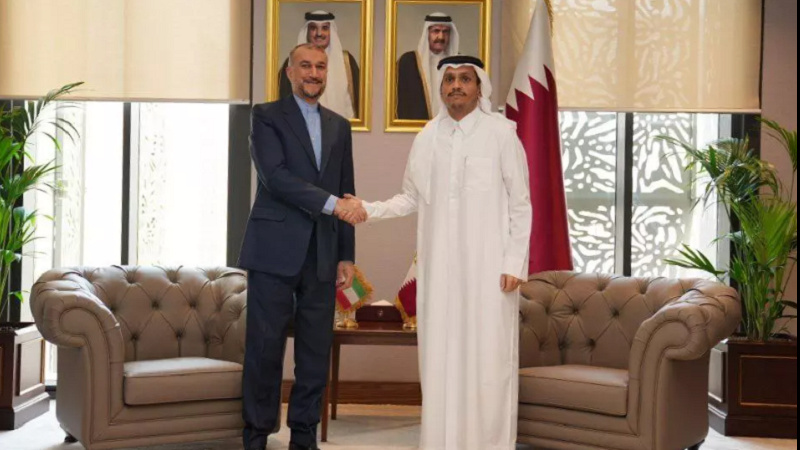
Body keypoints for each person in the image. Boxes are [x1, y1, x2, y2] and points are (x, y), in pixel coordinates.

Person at [344, 55, 532, 450]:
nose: (456, 86)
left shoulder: (501, 134)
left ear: (479, 87)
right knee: (441, 360)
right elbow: (410, 197)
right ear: (441, 87)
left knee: (488, 361)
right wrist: (367, 209)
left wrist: (515, 262)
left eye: (465, 79)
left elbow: (521, 203)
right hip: (440, 272)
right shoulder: (427, 136)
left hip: (490, 272)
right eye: (449, 79)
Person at [239, 43, 366, 450]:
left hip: (323, 252)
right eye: (305, 66)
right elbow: (274, 177)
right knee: (265, 349)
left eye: (321, 67)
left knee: (314, 353)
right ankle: (256, 435)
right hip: (273, 250)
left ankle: (304, 437)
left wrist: (346, 254)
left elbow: (346, 190)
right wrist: (331, 204)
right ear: (290, 72)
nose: (314, 73)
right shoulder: (265, 116)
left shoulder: (339, 125)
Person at [278, 11, 360, 119]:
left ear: (331, 31)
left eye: (325, 28)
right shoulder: (291, 63)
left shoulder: (347, 62)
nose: (319, 33)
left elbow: (360, 101)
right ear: (307, 31)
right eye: (313, 28)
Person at [396, 13, 460, 120]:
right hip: (416, 126)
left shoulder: (459, 63)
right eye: (436, 31)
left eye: (445, 32)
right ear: (427, 33)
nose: (441, 37)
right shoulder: (408, 62)